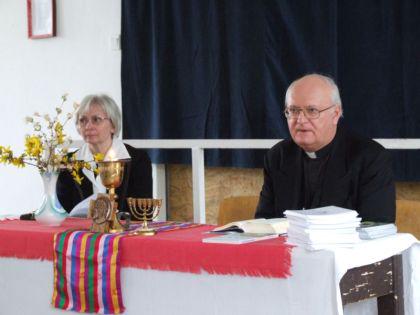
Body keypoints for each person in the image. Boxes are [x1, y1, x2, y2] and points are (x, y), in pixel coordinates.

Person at [255, 74, 395, 223]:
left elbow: (376, 227)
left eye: (312, 110)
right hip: (287, 246)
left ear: (335, 114)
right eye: (294, 110)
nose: (300, 120)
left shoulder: (370, 158)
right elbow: (263, 224)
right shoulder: (277, 157)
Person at [56, 94, 152, 215]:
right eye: (83, 120)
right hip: (80, 233)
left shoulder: (137, 160)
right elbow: (62, 212)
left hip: (124, 232)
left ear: (113, 125)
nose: (88, 126)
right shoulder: (67, 162)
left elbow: (143, 213)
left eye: (96, 119)